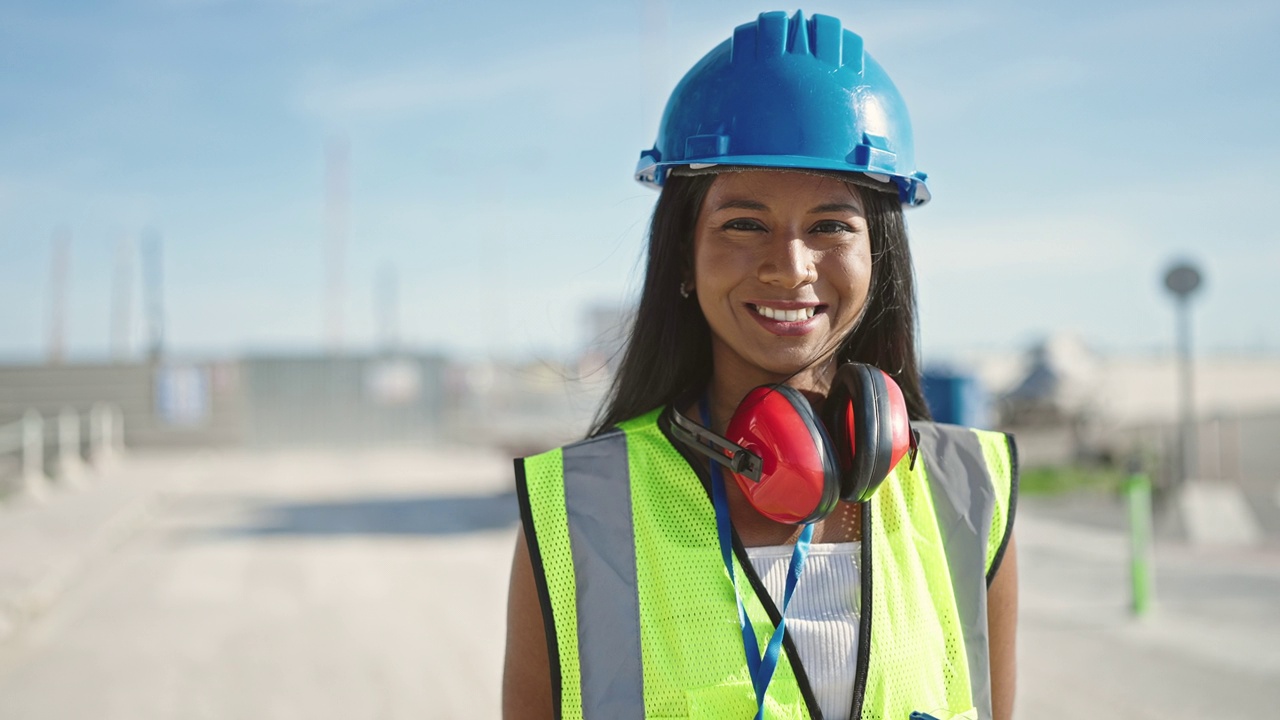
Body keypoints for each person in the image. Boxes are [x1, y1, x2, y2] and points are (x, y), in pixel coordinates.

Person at [504, 10, 1017, 720]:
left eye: (832, 226)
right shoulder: (580, 511)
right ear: (684, 254)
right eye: (744, 223)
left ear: (881, 257)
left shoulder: (971, 496)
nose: (789, 267)